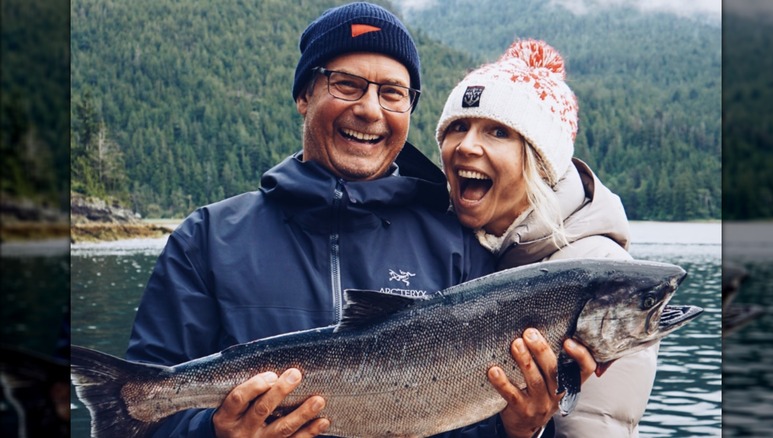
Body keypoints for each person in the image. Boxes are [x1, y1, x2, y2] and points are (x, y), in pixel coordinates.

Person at [126, 4, 595, 438]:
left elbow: (474, 421)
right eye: (347, 84)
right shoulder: (206, 239)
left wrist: (519, 430)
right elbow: (147, 411)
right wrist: (213, 433)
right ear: (304, 95)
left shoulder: (461, 248)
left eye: (392, 93)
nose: (370, 110)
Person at [436, 38, 658, 437]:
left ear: (541, 161)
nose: (467, 145)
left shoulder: (609, 282)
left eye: (498, 131)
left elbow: (596, 428)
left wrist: (527, 430)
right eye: (458, 127)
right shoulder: (463, 247)